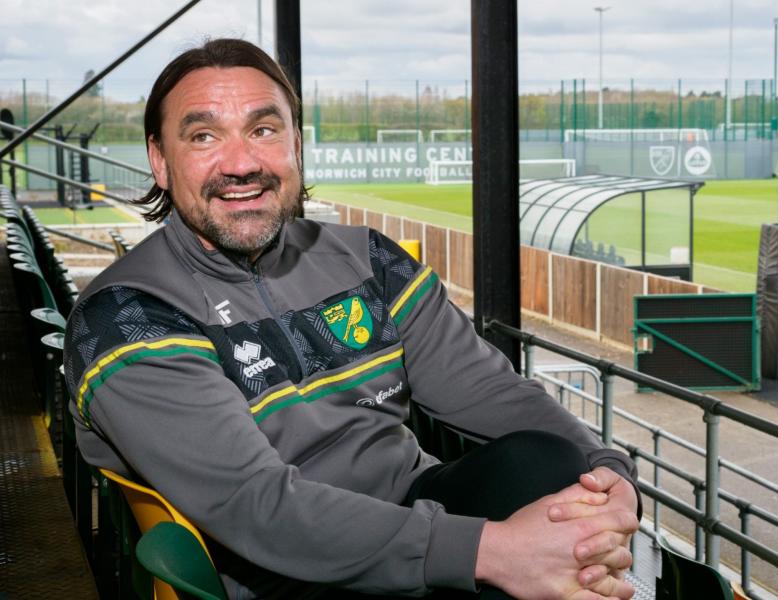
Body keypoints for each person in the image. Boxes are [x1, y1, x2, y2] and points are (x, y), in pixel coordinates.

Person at [63, 38, 641, 599]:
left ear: (295, 144)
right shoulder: (127, 314)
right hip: (286, 573)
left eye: (263, 130)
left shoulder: (367, 258)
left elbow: (488, 389)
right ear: (160, 162)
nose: (241, 163)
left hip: (414, 509)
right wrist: (495, 553)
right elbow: (258, 507)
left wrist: (608, 474)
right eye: (204, 136)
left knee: (549, 462)